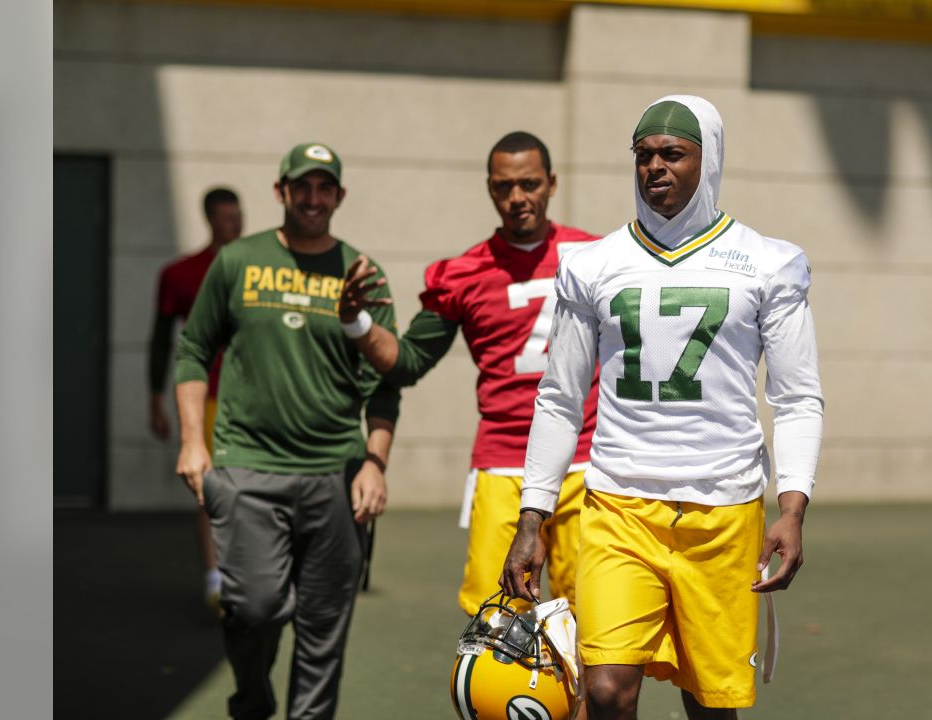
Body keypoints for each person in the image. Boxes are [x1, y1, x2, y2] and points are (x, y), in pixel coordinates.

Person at [499, 96, 825, 720]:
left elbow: (796, 397)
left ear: (710, 159)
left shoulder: (768, 262)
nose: (655, 167)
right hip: (619, 505)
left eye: (673, 154)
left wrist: (793, 505)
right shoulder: (592, 263)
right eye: (644, 155)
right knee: (604, 692)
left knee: (708, 705)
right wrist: (531, 518)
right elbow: (561, 398)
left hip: (723, 511)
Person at [173, 142, 400, 720]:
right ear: (281, 192)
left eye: (326, 188)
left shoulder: (361, 273)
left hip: (336, 473)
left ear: (339, 196)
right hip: (247, 465)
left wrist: (375, 461)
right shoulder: (237, 261)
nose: (314, 198)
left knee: (324, 629)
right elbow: (194, 350)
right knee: (254, 607)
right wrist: (193, 440)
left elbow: (384, 381)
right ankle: (251, 696)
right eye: (304, 186)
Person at [351, 131, 598, 617]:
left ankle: (581, 700)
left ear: (551, 183)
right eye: (504, 187)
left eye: (529, 184)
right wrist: (355, 322)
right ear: (489, 188)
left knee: (591, 623)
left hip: (586, 457)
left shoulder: (597, 258)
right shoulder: (464, 273)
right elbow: (405, 363)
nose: (517, 198)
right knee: (496, 621)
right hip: (505, 460)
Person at [148, 186, 242, 609]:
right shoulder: (181, 274)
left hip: (253, 399)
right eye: (226, 217)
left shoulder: (256, 269)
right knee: (211, 489)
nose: (234, 223)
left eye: (237, 216)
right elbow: (159, 340)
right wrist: (155, 400)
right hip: (207, 398)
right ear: (210, 219)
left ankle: (249, 574)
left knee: (255, 490)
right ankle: (214, 578)